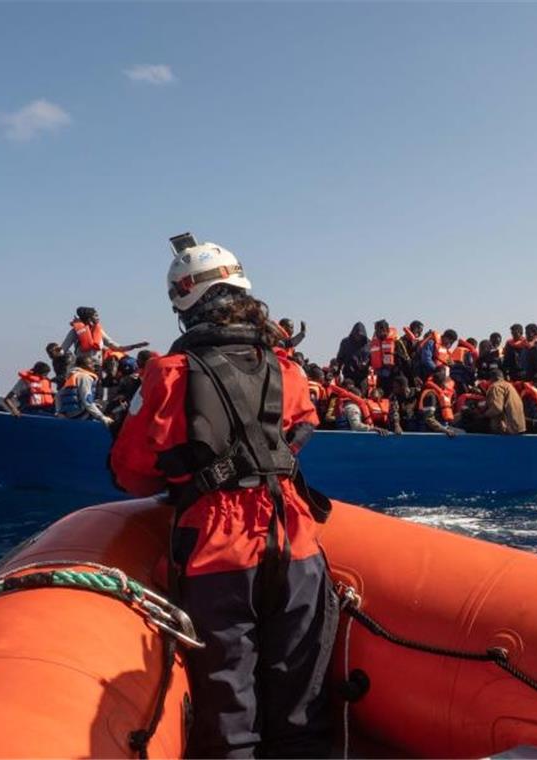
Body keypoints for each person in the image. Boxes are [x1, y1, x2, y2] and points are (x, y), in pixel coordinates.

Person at [109, 232, 336, 758]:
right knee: (301, 705)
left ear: (183, 302)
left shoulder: (169, 374)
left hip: (219, 556)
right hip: (297, 543)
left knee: (230, 711)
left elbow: (131, 471)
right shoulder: (288, 368)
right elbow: (296, 438)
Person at [55, 354, 112, 426]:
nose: (93, 365)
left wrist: (59, 412)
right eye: (90, 363)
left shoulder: (73, 375)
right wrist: (102, 417)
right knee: (107, 408)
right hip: (81, 415)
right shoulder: (85, 377)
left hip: (70, 414)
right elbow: (87, 401)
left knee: (97, 405)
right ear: (83, 365)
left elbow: (58, 395)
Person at [60, 306, 125, 365]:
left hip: (97, 366)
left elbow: (111, 344)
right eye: (96, 316)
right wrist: (56, 353)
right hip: (82, 366)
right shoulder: (75, 332)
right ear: (89, 318)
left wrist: (130, 347)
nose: (98, 318)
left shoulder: (98, 330)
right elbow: (63, 348)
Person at [477, 368, 526, 435]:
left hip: (508, 429)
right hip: (519, 427)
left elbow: (497, 408)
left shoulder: (495, 387)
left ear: (492, 378)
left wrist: (483, 415)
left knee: (475, 424)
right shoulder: (509, 385)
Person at [416, 365, 460, 437]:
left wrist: (461, 414)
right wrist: (444, 430)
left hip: (442, 427)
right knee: (460, 435)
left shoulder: (440, 394)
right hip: (430, 432)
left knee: (462, 432)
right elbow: (429, 419)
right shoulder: (431, 395)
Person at [368, 319, 409, 390]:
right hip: (381, 376)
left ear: (386, 330)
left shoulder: (396, 341)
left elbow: (404, 358)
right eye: (376, 330)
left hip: (395, 374)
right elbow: (371, 357)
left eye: (380, 330)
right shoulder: (374, 343)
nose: (378, 333)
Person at [336, 322, 371, 388]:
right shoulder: (345, 342)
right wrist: (337, 372)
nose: (358, 336)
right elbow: (340, 359)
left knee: (361, 396)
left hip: (362, 377)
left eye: (360, 335)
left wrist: (366, 364)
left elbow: (371, 359)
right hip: (348, 375)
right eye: (356, 334)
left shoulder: (368, 344)